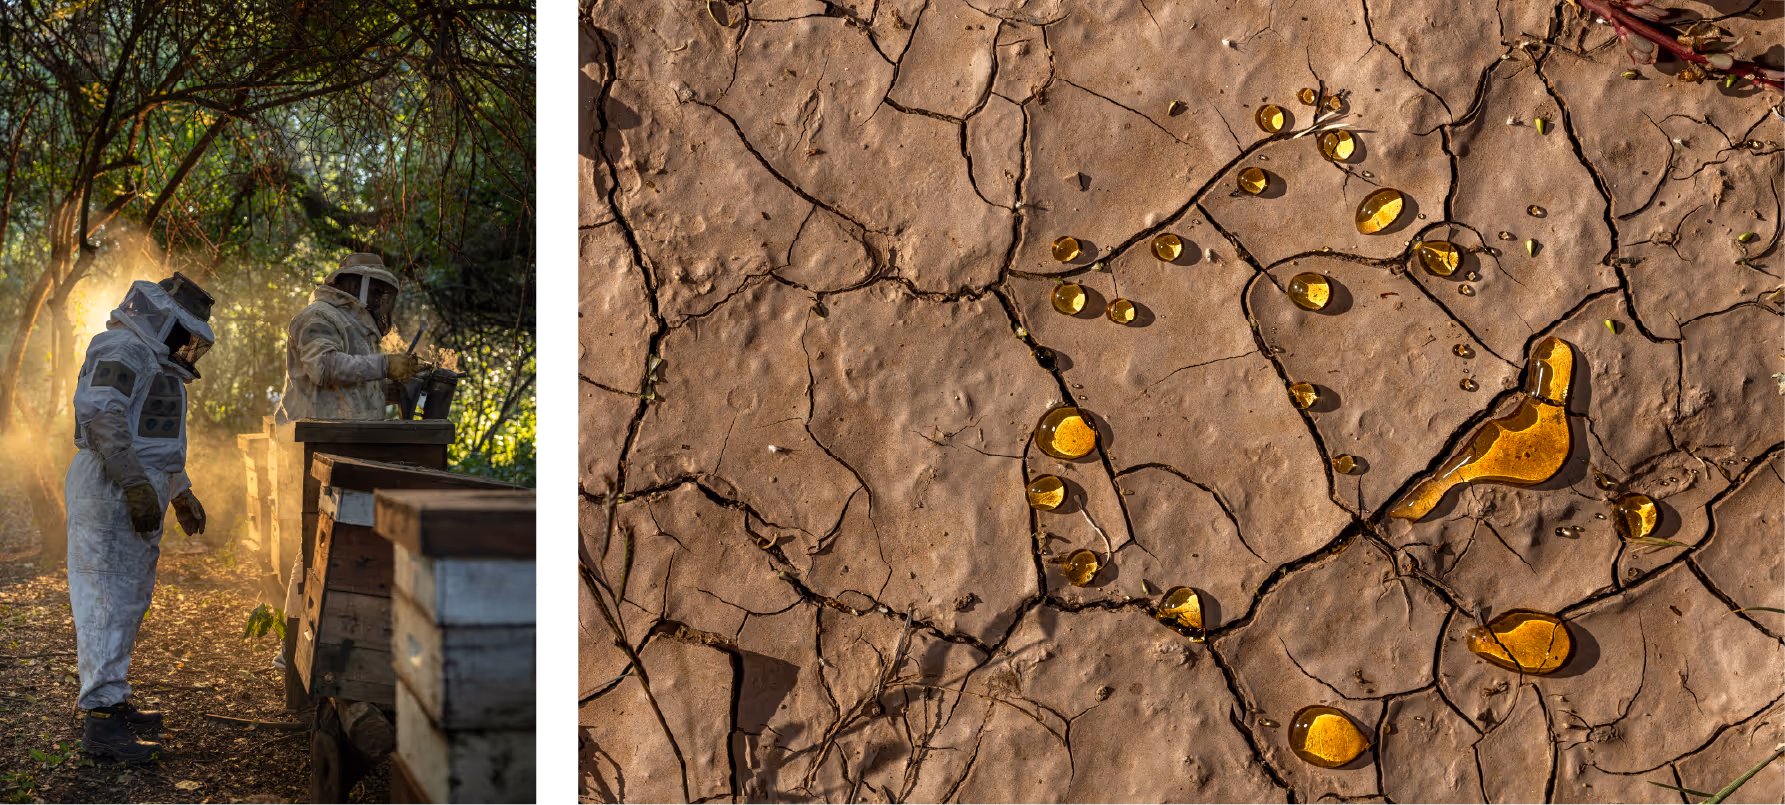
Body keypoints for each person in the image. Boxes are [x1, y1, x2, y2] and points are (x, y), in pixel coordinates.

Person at [67, 273, 216, 763]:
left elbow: (157, 445)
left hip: (131, 487)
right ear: (162, 319)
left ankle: (114, 698)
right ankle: (102, 721)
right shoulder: (120, 347)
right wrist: (132, 483)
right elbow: (102, 417)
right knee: (106, 599)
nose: (187, 345)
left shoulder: (156, 365)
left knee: (127, 598)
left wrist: (180, 493)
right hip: (109, 489)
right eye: (184, 333)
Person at [268, 254, 419, 675]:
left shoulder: (357, 329)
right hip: (317, 448)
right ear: (360, 287)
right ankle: (293, 648)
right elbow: (324, 368)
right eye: (381, 295)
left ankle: (325, 646)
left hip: (348, 448)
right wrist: (384, 365)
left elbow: (357, 393)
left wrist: (399, 385)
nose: (385, 306)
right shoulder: (317, 316)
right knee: (312, 548)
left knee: (336, 549)